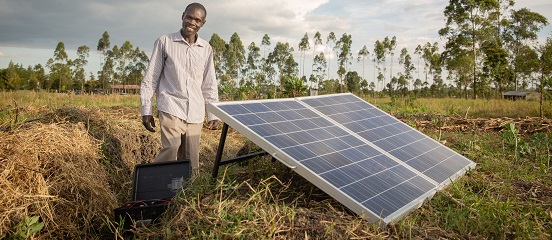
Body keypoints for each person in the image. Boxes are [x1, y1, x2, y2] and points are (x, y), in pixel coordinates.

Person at [140, 2, 220, 175]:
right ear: (183, 16)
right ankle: (156, 191)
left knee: (191, 160)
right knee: (171, 148)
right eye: (189, 17)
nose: (192, 22)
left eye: (197, 20)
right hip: (171, 106)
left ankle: (188, 197)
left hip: (195, 112)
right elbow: (150, 78)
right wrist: (146, 109)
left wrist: (213, 113)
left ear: (202, 24)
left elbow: (209, 83)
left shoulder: (205, 48)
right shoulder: (165, 42)